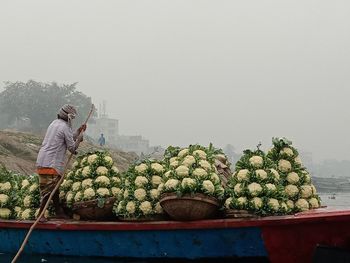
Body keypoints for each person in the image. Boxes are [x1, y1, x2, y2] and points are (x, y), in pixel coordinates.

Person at [36, 104, 86, 221]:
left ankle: (59, 211)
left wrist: (78, 131)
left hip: (43, 159)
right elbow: (72, 148)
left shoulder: (54, 124)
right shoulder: (64, 127)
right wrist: (79, 139)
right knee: (49, 190)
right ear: (68, 117)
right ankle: (40, 214)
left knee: (55, 189)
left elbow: (68, 137)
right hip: (51, 162)